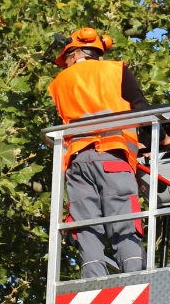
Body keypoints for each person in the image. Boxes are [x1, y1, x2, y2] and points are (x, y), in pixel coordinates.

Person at [48, 27, 156, 279]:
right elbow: (142, 109)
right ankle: (134, 277)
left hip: (77, 161)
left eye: (66, 58)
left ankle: (92, 279)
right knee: (123, 217)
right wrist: (159, 139)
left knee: (85, 224)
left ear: (75, 53)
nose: (65, 63)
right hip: (112, 156)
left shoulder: (60, 82)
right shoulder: (115, 70)